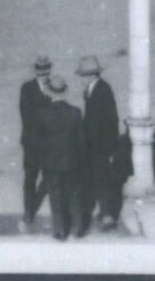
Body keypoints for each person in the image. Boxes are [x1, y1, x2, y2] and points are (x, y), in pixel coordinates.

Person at [76, 55, 124, 233]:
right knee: (97, 180)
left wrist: (110, 148)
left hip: (101, 146)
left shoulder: (103, 90)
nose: (82, 79)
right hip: (93, 145)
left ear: (91, 75)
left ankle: (108, 216)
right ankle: (104, 212)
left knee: (103, 181)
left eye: (83, 76)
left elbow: (111, 120)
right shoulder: (92, 89)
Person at [37, 75, 85, 240]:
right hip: (72, 162)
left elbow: (39, 141)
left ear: (49, 93)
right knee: (74, 195)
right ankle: (77, 228)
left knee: (55, 196)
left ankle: (60, 229)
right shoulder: (75, 113)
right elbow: (81, 141)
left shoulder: (43, 114)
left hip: (51, 163)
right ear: (64, 92)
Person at [18, 55, 55, 226]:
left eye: (46, 71)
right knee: (30, 178)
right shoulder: (27, 88)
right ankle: (29, 212)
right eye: (40, 72)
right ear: (36, 71)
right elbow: (26, 115)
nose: (44, 75)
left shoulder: (55, 88)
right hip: (32, 142)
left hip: (49, 143)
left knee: (49, 176)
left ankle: (34, 208)